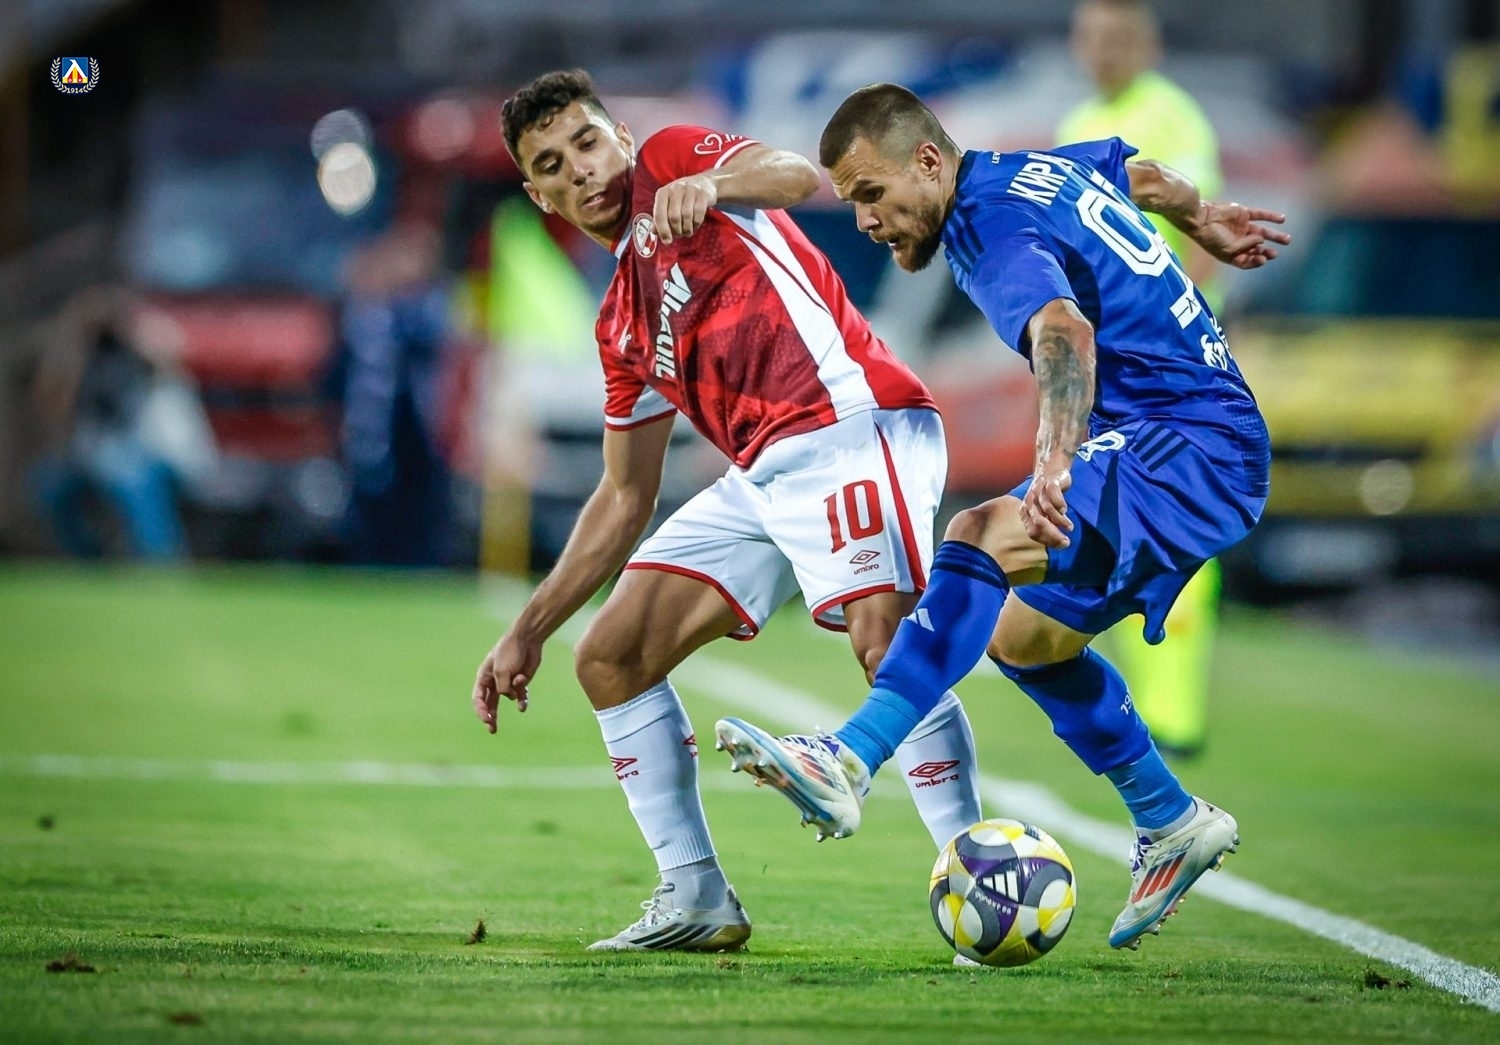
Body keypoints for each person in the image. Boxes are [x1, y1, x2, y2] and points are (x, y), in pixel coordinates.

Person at [713, 83, 1289, 951]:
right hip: (1201, 436)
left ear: (929, 162)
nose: (865, 220)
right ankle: (1170, 818)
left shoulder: (985, 224)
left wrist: (1054, 462)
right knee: (1024, 639)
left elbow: (1064, 330)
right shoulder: (1035, 169)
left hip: (1187, 441)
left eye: (872, 193)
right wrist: (1200, 216)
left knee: (978, 533)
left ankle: (849, 757)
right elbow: (1139, 177)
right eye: (853, 202)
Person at [471, 70, 987, 953]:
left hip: (848, 422)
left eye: (587, 142)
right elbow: (624, 495)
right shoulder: (621, 325)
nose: (580, 169)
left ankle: (978, 881)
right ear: (538, 194)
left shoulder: (673, 163)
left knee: (885, 642)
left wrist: (710, 183)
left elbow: (795, 174)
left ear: (620, 138)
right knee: (610, 656)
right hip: (761, 473)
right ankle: (696, 894)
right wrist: (528, 630)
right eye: (551, 164)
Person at [1059, 0, 1228, 758]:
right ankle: (1143, 706)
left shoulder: (1172, 117)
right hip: (1108, 357)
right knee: (1118, 519)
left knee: (1180, 518)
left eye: (1119, 38)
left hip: (1166, 356)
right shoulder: (1079, 124)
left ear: (1147, 44)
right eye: (1094, 38)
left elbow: (1202, 227)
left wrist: (1189, 335)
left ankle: (1177, 714)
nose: (1105, 52)